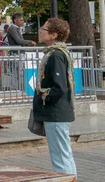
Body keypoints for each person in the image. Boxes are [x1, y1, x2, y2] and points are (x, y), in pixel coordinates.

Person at [34, 18, 77, 176]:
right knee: (64, 155)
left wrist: (43, 97)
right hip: (59, 112)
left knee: (60, 157)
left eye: (44, 30)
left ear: (53, 35)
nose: (40, 31)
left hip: (56, 113)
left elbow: (59, 87)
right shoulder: (58, 53)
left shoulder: (55, 55)